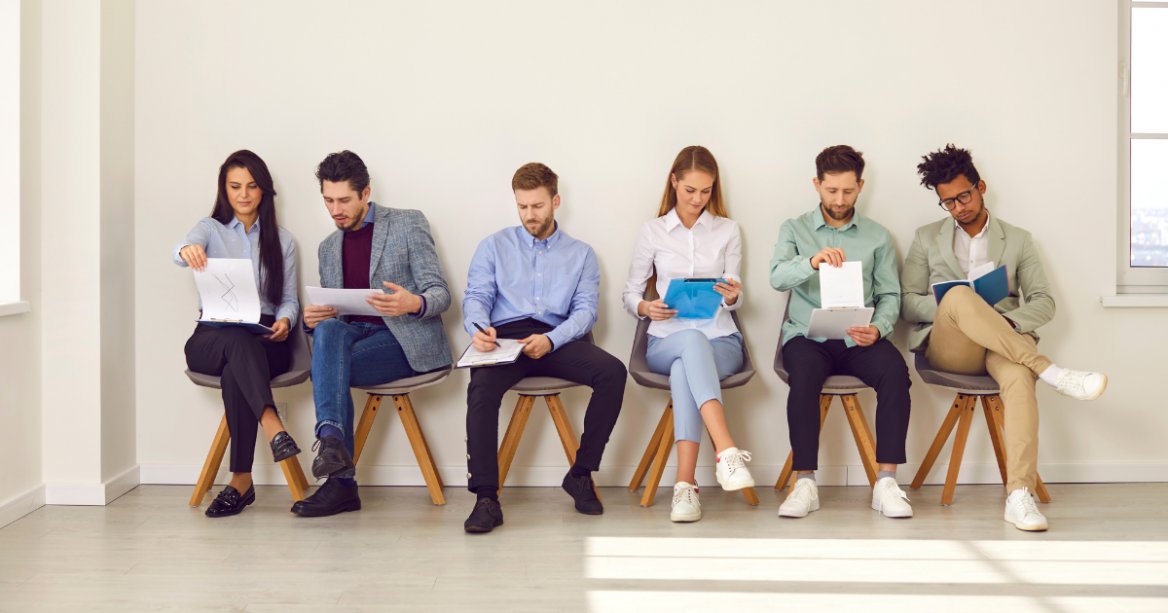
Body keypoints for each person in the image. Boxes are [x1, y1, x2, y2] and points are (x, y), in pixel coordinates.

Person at [902, 144, 1107, 531]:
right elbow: (908, 303)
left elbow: (1045, 302)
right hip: (952, 347)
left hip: (1004, 341)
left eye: (964, 196)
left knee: (1017, 379)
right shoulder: (926, 238)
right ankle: (1053, 373)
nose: (959, 207)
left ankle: (1018, 495)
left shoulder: (1018, 239)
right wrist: (958, 309)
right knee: (961, 296)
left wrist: (999, 322)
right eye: (948, 203)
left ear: (981, 186)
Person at [462, 162, 627, 534]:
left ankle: (581, 473)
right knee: (481, 389)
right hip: (505, 336)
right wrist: (478, 329)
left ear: (555, 202)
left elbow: (586, 312)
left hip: (559, 336)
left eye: (536, 206)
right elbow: (476, 296)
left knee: (613, 372)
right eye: (522, 206)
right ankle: (486, 497)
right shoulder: (493, 246)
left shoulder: (581, 254)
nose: (529, 215)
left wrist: (551, 339)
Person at [291, 150, 453, 518]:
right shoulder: (327, 248)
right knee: (329, 329)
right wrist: (313, 320)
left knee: (327, 368)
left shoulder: (407, 223)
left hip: (404, 341)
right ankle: (332, 443)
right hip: (354, 338)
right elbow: (335, 318)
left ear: (366, 193)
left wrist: (413, 303)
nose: (336, 210)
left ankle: (340, 482)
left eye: (344, 200)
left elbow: (441, 293)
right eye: (328, 201)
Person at [770, 145, 913, 520]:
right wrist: (811, 261)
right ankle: (804, 482)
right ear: (817, 184)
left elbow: (890, 295)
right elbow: (776, 277)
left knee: (896, 373)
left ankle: (886, 482)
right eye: (831, 190)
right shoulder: (794, 229)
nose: (839, 199)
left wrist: (879, 330)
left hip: (858, 338)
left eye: (848, 191)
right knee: (802, 377)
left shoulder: (878, 237)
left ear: (860, 186)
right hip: (807, 336)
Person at [622, 145, 754, 523]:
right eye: (690, 190)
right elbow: (630, 293)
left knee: (686, 368)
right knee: (689, 345)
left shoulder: (728, 230)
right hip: (666, 339)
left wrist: (732, 295)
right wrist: (646, 308)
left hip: (722, 341)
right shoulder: (652, 231)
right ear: (674, 182)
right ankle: (726, 451)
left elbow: (736, 293)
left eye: (706, 191)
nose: (698, 199)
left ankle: (684, 487)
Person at [176, 149, 301, 518]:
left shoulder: (283, 240)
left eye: (251, 186)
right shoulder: (209, 228)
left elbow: (289, 300)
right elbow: (180, 249)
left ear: (264, 190)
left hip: (264, 337)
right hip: (213, 335)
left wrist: (286, 322)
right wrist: (188, 249)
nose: (243, 194)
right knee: (234, 342)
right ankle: (272, 423)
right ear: (224, 189)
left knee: (238, 367)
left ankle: (241, 482)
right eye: (235, 186)